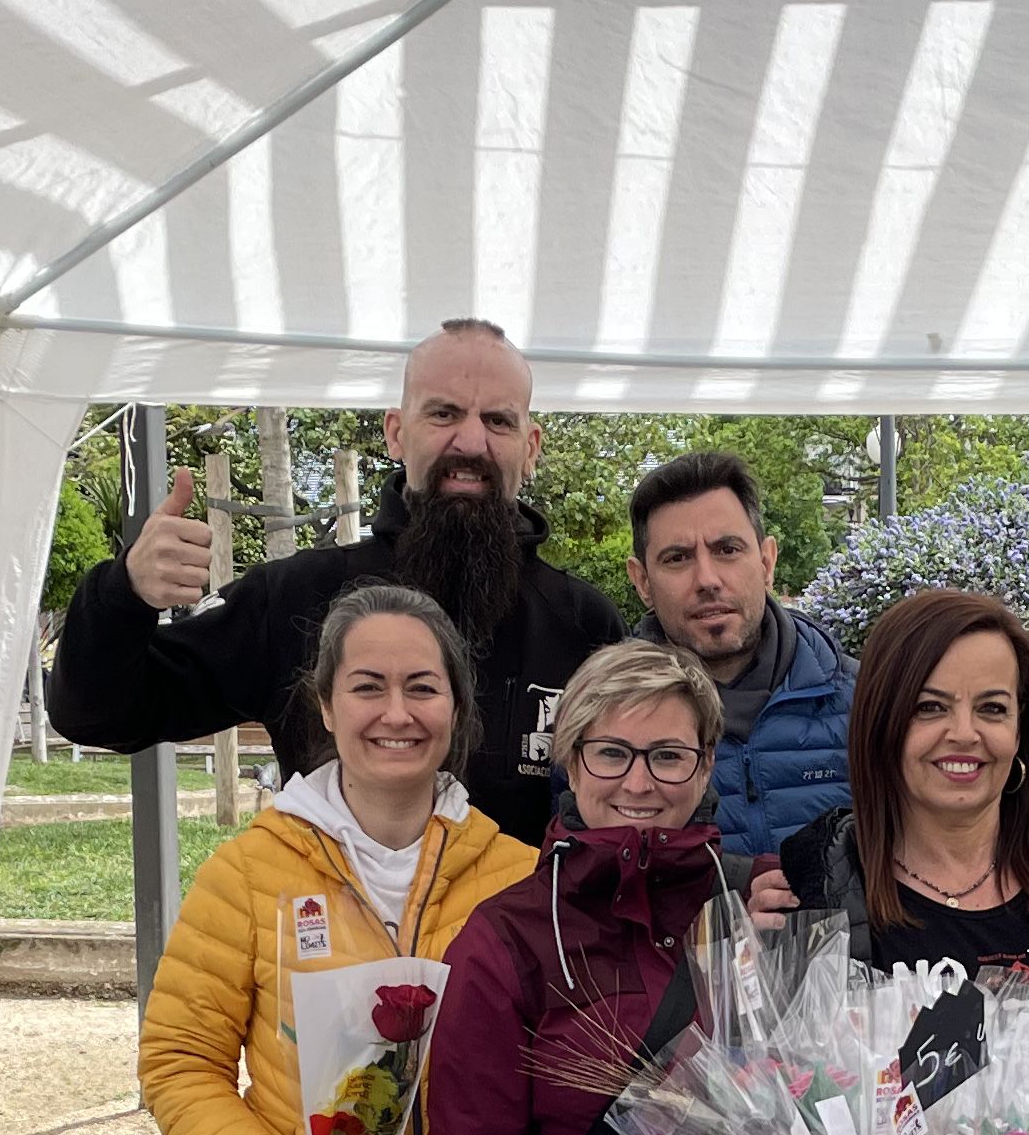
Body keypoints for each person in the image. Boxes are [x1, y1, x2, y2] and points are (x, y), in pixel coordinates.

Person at [140, 585, 534, 1135]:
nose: (397, 712)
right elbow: (180, 1064)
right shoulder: (250, 873)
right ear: (324, 705)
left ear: (456, 708)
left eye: (423, 687)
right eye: (368, 686)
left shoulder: (517, 878)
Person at [51, 317, 619, 843]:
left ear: (531, 446)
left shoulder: (583, 624)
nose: (470, 442)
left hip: (530, 948)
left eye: (498, 420)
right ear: (396, 433)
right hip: (332, 945)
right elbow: (97, 713)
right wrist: (123, 593)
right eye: (443, 414)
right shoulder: (293, 598)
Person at [429, 641, 792, 1135]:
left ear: (705, 763)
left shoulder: (756, 915)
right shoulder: (512, 939)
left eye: (667, 755)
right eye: (611, 753)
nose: (639, 782)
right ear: (569, 758)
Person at [774, 589, 1029, 1026]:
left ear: (1019, 732)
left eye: (992, 708)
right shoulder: (820, 885)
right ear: (881, 721)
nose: (963, 732)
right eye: (929, 707)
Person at [625, 448, 854, 863]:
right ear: (641, 580)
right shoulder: (602, 720)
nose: (707, 580)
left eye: (727, 549)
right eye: (678, 558)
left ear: (767, 561)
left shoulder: (864, 703)